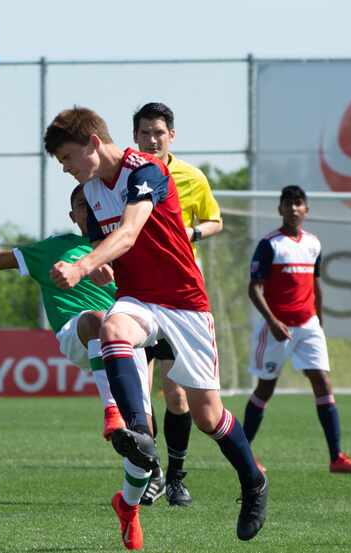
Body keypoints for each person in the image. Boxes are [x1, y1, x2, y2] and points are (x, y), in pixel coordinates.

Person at [45, 106, 267, 550]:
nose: (65, 169)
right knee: (113, 330)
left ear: (92, 142)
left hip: (185, 303)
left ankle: (254, 481)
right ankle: (140, 435)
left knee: (208, 416)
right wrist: (103, 265)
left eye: (67, 158)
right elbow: (111, 245)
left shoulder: (144, 171)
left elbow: (127, 233)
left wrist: (86, 265)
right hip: (140, 299)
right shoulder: (90, 192)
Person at [0, 188, 158, 540]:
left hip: (126, 344)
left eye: (96, 205)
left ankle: (128, 506)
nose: (90, 211)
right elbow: (1, 259)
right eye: (82, 206)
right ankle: (111, 410)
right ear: (73, 215)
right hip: (78, 332)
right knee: (96, 320)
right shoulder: (53, 248)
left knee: (144, 444)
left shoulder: (123, 247)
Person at [132, 102, 223, 508]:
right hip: (134, 297)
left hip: (176, 301)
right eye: (145, 133)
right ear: (134, 136)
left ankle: (177, 477)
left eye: (159, 133)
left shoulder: (191, 177)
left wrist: (193, 232)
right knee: (137, 393)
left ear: (171, 136)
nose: (152, 140)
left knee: (177, 395)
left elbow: (215, 220)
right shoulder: (125, 177)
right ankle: (149, 473)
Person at [243, 185, 351, 475]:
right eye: (288, 203)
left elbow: (315, 285)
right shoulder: (269, 244)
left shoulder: (313, 243)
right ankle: (243, 453)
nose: (294, 208)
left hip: (308, 325)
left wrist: (319, 323)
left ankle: (336, 457)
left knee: (323, 383)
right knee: (265, 388)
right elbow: (254, 289)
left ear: (306, 210)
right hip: (276, 329)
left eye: (299, 203)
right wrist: (273, 322)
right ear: (280, 209)